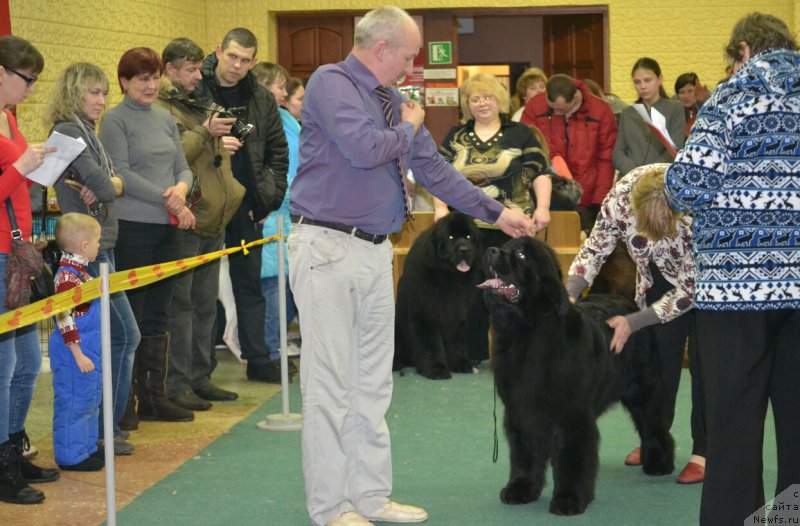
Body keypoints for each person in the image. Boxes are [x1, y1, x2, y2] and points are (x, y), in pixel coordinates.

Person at [288, 7, 535, 526]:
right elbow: (364, 149)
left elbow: (434, 170)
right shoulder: (331, 83)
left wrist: (497, 213)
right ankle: (331, 507)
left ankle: (370, 497)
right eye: (408, 54)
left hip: (375, 250)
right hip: (327, 248)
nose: (412, 64)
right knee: (330, 385)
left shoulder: (395, 100)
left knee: (373, 382)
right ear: (381, 48)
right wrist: (408, 126)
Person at [665, 12, 800, 525]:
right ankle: (789, 518)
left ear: (743, 50)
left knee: (734, 426)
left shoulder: (730, 98)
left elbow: (687, 187)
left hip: (735, 292)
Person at [566, 163, 706, 485]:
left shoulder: (696, 206)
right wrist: (571, 291)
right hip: (654, 279)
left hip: (703, 285)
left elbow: (690, 290)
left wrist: (635, 321)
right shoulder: (619, 198)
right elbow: (595, 248)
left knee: (706, 368)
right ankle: (655, 439)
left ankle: (704, 451)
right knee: (659, 365)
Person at [46, 61, 139, 455]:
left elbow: (115, 183)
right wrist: (108, 185)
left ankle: (106, 426)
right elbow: (105, 184)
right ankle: (104, 428)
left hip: (103, 247)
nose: (101, 100)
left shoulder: (89, 133)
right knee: (123, 336)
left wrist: (110, 184)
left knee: (120, 337)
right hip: (87, 256)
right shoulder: (69, 131)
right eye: (93, 92)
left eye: (104, 93)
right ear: (74, 93)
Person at [99, 47, 196, 424]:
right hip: (133, 228)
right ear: (124, 81)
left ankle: (154, 397)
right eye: (143, 79)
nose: (151, 85)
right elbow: (121, 173)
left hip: (167, 229)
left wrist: (182, 190)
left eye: (155, 78)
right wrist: (169, 199)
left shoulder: (165, 118)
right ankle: (125, 402)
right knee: (133, 315)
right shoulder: (114, 120)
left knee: (160, 311)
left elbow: (183, 166)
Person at [194, 28, 289, 383]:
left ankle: (258, 359)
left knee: (249, 285)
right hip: (204, 204)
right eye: (232, 56)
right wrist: (215, 144)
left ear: (253, 62)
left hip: (247, 206)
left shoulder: (261, 98)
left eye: (245, 60)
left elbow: (278, 153)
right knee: (200, 291)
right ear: (219, 50)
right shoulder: (195, 90)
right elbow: (181, 145)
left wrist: (266, 200)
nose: (237, 65)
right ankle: (200, 370)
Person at [434, 72, 551, 363]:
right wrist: (440, 208)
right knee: (471, 295)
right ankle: (472, 356)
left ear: (499, 100)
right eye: (475, 99)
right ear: (467, 104)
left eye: (488, 97)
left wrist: (543, 207)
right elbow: (438, 175)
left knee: (512, 291)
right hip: (468, 231)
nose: (482, 103)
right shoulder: (456, 136)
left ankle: (516, 356)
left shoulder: (520, 134)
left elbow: (541, 172)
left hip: (513, 227)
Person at [155, 38, 246, 410]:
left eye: (197, 69)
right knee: (183, 308)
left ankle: (200, 377)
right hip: (186, 220)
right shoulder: (160, 109)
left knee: (205, 305)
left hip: (212, 217)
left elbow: (205, 156)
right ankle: (177, 384)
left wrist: (223, 144)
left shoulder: (195, 103)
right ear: (170, 69)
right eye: (191, 70)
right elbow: (176, 156)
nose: (197, 76)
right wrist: (206, 132)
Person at [0, 34, 61, 505]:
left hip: (16, 251)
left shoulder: (8, 117)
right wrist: (22, 165)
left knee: (23, 361)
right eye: (27, 79)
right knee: (4, 366)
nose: (32, 88)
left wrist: (36, 162)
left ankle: (14, 448)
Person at [520, 74, 618, 230]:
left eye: (560, 109)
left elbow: (606, 160)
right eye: (551, 107)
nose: (556, 112)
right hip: (545, 199)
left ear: (575, 97)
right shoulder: (535, 106)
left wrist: (599, 201)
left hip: (587, 197)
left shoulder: (600, 111)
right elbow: (525, 150)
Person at [49, 213, 105, 472]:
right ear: (84, 245)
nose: (99, 246)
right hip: (75, 352)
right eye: (97, 241)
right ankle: (71, 455)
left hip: (90, 347)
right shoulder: (67, 278)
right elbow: (63, 318)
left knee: (90, 399)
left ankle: (87, 446)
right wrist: (78, 353)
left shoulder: (82, 273)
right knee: (74, 402)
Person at [256, 72, 303, 367]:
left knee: (290, 290)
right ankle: (271, 353)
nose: (284, 93)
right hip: (272, 216)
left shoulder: (287, 121)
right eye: (280, 87)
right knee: (275, 289)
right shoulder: (257, 123)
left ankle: (276, 349)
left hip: (293, 216)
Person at [613, 57, 686, 177]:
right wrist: (634, 172)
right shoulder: (627, 112)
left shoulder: (675, 109)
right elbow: (618, 153)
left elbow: (675, 149)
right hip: (629, 178)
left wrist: (648, 173)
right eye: (637, 82)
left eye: (647, 80)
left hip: (659, 178)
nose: (642, 86)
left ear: (660, 79)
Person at [673, 72, 710, 138]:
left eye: (690, 91)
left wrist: (706, 102)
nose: (686, 96)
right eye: (681, 92)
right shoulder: (673, 112)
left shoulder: (708, 107)